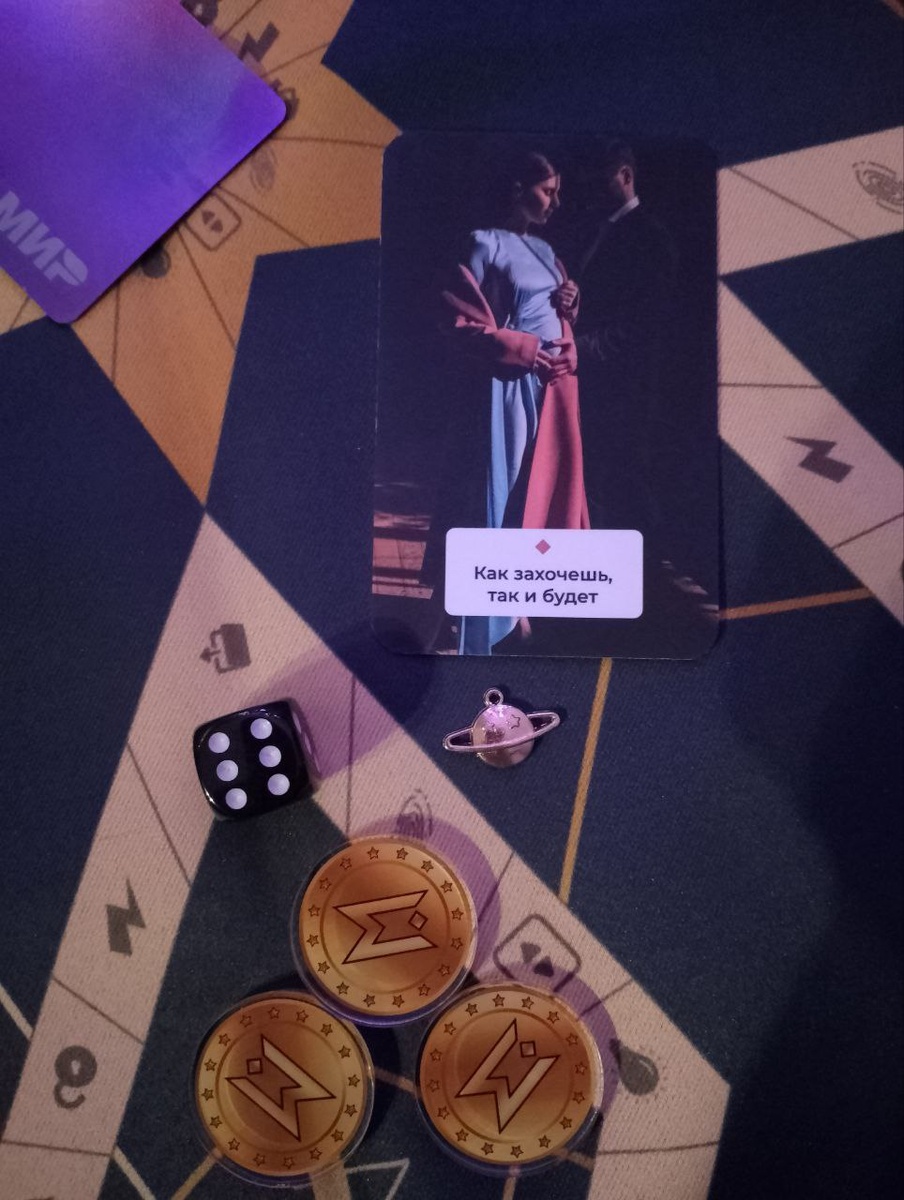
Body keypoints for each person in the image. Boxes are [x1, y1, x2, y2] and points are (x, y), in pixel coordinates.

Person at [438, 151, 589, 655]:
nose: (556, 202)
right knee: (498, 494)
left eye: (558, 192)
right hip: (510, 383)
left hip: (556, 382)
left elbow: (554, 309)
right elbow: (458, 319)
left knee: (542, 491)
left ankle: (521, 602)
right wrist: (522, 350)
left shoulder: (546, 249)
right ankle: (484, 617)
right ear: (519, 189)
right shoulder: (484, 242)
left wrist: (570, 307)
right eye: (548, 191)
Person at [572, 141, 678, 533]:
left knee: (624, 477)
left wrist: (583, 348)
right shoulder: (599, 231)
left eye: (600, 180)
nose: (592, 189)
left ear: (626, 176)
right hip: (597, 381)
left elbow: (644, 322)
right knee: (602, 479)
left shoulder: (651, 237)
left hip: (628, 386)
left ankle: (650, 560)